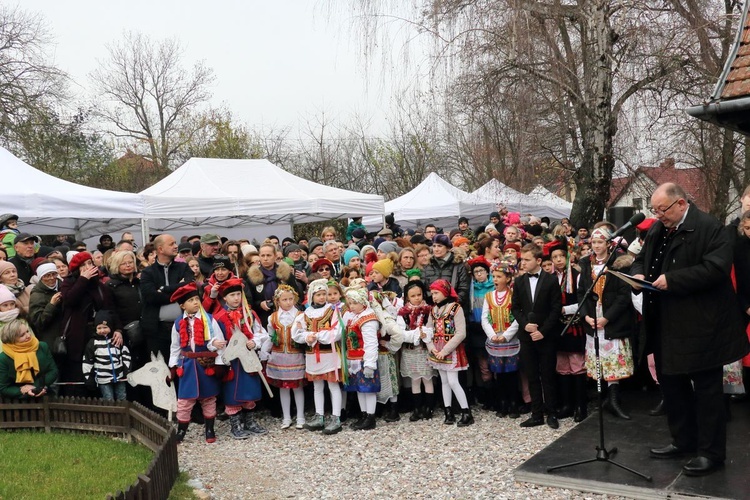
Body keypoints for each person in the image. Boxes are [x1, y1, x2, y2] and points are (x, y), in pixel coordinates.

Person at [631, 182, 749, 476]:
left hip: (702, 325)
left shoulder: (710, 228)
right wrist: (637, 273)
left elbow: (715, 269)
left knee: (707, 391)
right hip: (665, 321)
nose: (658, 216)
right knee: (672, 386)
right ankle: (683, 440)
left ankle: (711, 453)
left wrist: (672, 280)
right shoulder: (659, 229)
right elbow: (639, 258)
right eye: (655, 210)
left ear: (681, 203)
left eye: (663, 210)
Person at [578, 226, 636, 420]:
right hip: (592, 318)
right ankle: (604, 398)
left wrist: (607, 317)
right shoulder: (586, 264)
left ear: (608, 244)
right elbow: (582, 293)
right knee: (599, 360)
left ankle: (614, 399)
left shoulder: (617, 263)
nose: (596, 246)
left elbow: (623, 295)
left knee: (614, 362)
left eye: (600, 242)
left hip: (611, 320)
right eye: (593, 242)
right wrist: (586, 316)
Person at [511, 243, 562, 429]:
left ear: (538, 260)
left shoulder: (551, 280)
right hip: (527, 335)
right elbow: (515, 307)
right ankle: (536, 413)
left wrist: (543, 330)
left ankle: (552, 413)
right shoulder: (519, 281)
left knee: (548, 374)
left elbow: (556, 308)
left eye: (526, 259)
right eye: (521, 259)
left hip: (546, 335)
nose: (522, 263)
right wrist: (526, 325)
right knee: (531, 375)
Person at [168, 282, 227, 444]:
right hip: (187, 366)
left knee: (208, 398)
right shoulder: (178, 323)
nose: (195, 302)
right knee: (185, 401)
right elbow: (175, 346)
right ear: (182, 305)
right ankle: (181, 431)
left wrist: (220, 362)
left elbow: (219, 341)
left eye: (197, 299)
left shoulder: (209, 320)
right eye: (191, 300)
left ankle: (209, 428)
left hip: (205, 364)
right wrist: (173, 365)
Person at [212, 278, 268, 439]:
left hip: (249, 358)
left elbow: (261, 333)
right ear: (225, 298)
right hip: (233, 362)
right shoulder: (219, 317)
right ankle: (235, 424)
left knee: (250, 389)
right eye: (232, 295)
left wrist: (254, 342)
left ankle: (250, 421)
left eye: (238, 294)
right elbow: (217, 340)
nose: (236, 298)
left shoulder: (249, 313)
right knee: (232, 391)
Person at [59, 252, 119, 394]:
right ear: (76, 269)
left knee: (99, 368)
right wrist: (82, 280)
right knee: (78, 372)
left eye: (89, 264)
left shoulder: (100, 285)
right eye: (83, 265)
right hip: (77, 336)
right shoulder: (69, 283)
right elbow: (69, 300)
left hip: (99, 332)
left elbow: (111, 310)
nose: (88, 267)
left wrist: (118, 329)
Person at [291, 279, 343, 435]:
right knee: (317, 386)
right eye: (318, 295)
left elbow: (337, 332)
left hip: (329, 354)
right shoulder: (305, 314)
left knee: (333, 385)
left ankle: (336, 417)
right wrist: (307, 337)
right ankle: (319, 415)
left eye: (324, 294)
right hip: (312, 355)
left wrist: (317, 336)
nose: (322, 297)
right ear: (311, 296)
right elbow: (296, 333)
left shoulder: (333, 311)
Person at [546, 238, 587, 422]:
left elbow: (584, 300)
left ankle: (580, 406)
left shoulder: (578, 275)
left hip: (574, 324)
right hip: (556, 326)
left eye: (562, 256)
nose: (559, 260)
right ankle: (566, 404)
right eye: (555, 257)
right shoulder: (550, 278)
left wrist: (564, 309)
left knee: (576, 363)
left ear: (568, 256)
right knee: (562, 365)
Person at [426, 279, 474, 427]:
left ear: (445, 292)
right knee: (444, 381)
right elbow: (428, 331)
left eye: (436, 293)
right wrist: (431, 347)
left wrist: (445, 350)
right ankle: (448, 411)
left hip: (451, 350)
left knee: (453, 381)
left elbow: (461, 333)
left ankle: (466, 412)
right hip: (438, 350)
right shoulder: (433, 310)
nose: (433, 296)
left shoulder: (455, 308)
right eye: (432, 293)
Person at [140, 234, 194, 362]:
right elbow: (151, 297)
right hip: (157, 330)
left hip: (183, 327)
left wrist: (164, 289)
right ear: (160, 249)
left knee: (183, 365)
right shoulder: (148, 272)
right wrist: (178, 291)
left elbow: (190, 287)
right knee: (160, 368)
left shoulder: (183, 267)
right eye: (171, 244)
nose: (176, 246)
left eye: (175, 243)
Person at [481, 260, 521, 418]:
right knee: (499, 373)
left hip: (510, 339)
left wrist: (506, 335)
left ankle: (514, 403)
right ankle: (502, 403)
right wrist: (492, 335)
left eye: (499, 276)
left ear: (508, 278)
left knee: (512, 373)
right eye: (494, 276)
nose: (495, 279)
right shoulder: (489, 296)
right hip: (495, 339)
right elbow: (484, 318)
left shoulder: (514, 296)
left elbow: (518, 317)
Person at [264, 285, 306, 430]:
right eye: (284, 300)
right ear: (278, 301)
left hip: (296, 357)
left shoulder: (300, 315)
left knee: (297, 388)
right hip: (279, 356)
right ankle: (286, 417)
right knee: (283, 388)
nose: (288, 302)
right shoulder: (272, 318)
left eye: (290, 299)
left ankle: (301, 416)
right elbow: (269, 336)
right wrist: (265, 352)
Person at [342, 287, 381, 430]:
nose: (351, 306)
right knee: (359, 388)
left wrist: (370, 363)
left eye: (354, 303)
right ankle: (363, 414)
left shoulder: (368, 319)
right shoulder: (354, 316)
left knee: (368, 389)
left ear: (363, 303)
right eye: (349, 303)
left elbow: (371, 343)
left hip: (364, 359)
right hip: (354, 359)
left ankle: (370, 416)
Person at [395, 280, 435, 421]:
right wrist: (416, 334)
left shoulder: (430, 310)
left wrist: (427, 333)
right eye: (413, 296)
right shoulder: (403, 314)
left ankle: (429, 407)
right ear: (407, 297)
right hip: (410, 350)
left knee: (427, 378)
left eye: (419, 294)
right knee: (415, 379)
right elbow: (401, 333)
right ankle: (417, 408)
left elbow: (432, 329)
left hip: (425, 350)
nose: (417, 298)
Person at [246, 243, 302, 328]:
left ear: (275, 256)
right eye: (262, 255)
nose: (265, 258)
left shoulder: (285, 273)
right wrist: (260, 304)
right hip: (263, 319)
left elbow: (298, 295)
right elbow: (250, 301)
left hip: (287, 318)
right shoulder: (253, 276)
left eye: (269, 255)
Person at [0, 319, 58, 398]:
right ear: (12, 339)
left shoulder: (42, 347)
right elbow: (3, 387)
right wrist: (24, 391)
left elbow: (53, 371)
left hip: (44, 395)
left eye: (27, 331)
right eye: (22, 335)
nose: (28, 336)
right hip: (17, 403)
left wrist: (36, 387)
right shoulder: (3, 358)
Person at [82, 310, 131, 401]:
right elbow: (87, 362)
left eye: (105, 327)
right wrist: (88, 378)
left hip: (119, 376)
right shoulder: (93, 343)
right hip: (103, 379)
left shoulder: (115, 340)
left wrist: (127, 370)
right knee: (108, 399)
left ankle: (122, 415)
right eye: (99, 328)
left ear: (111, 327)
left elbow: (126, 355)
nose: (102, 330)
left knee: (122, 398)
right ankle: (112, 415)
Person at [28, 263, 63, 348]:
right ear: (41, 278)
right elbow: (38, 322)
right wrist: (51, 305)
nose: (51, 278)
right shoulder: (36, 295)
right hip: (51, 340)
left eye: (54, 274)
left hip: (66, 334)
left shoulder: (63, 286)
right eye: (47, 276)